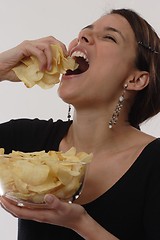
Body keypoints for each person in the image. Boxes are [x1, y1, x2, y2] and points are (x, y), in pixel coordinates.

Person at [0, 8, 160, 240]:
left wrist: (80, 224)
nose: (82, 37)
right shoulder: (26, 142)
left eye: (109, 37)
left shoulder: (155, 164)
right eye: (84, 32)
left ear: (136, 79)